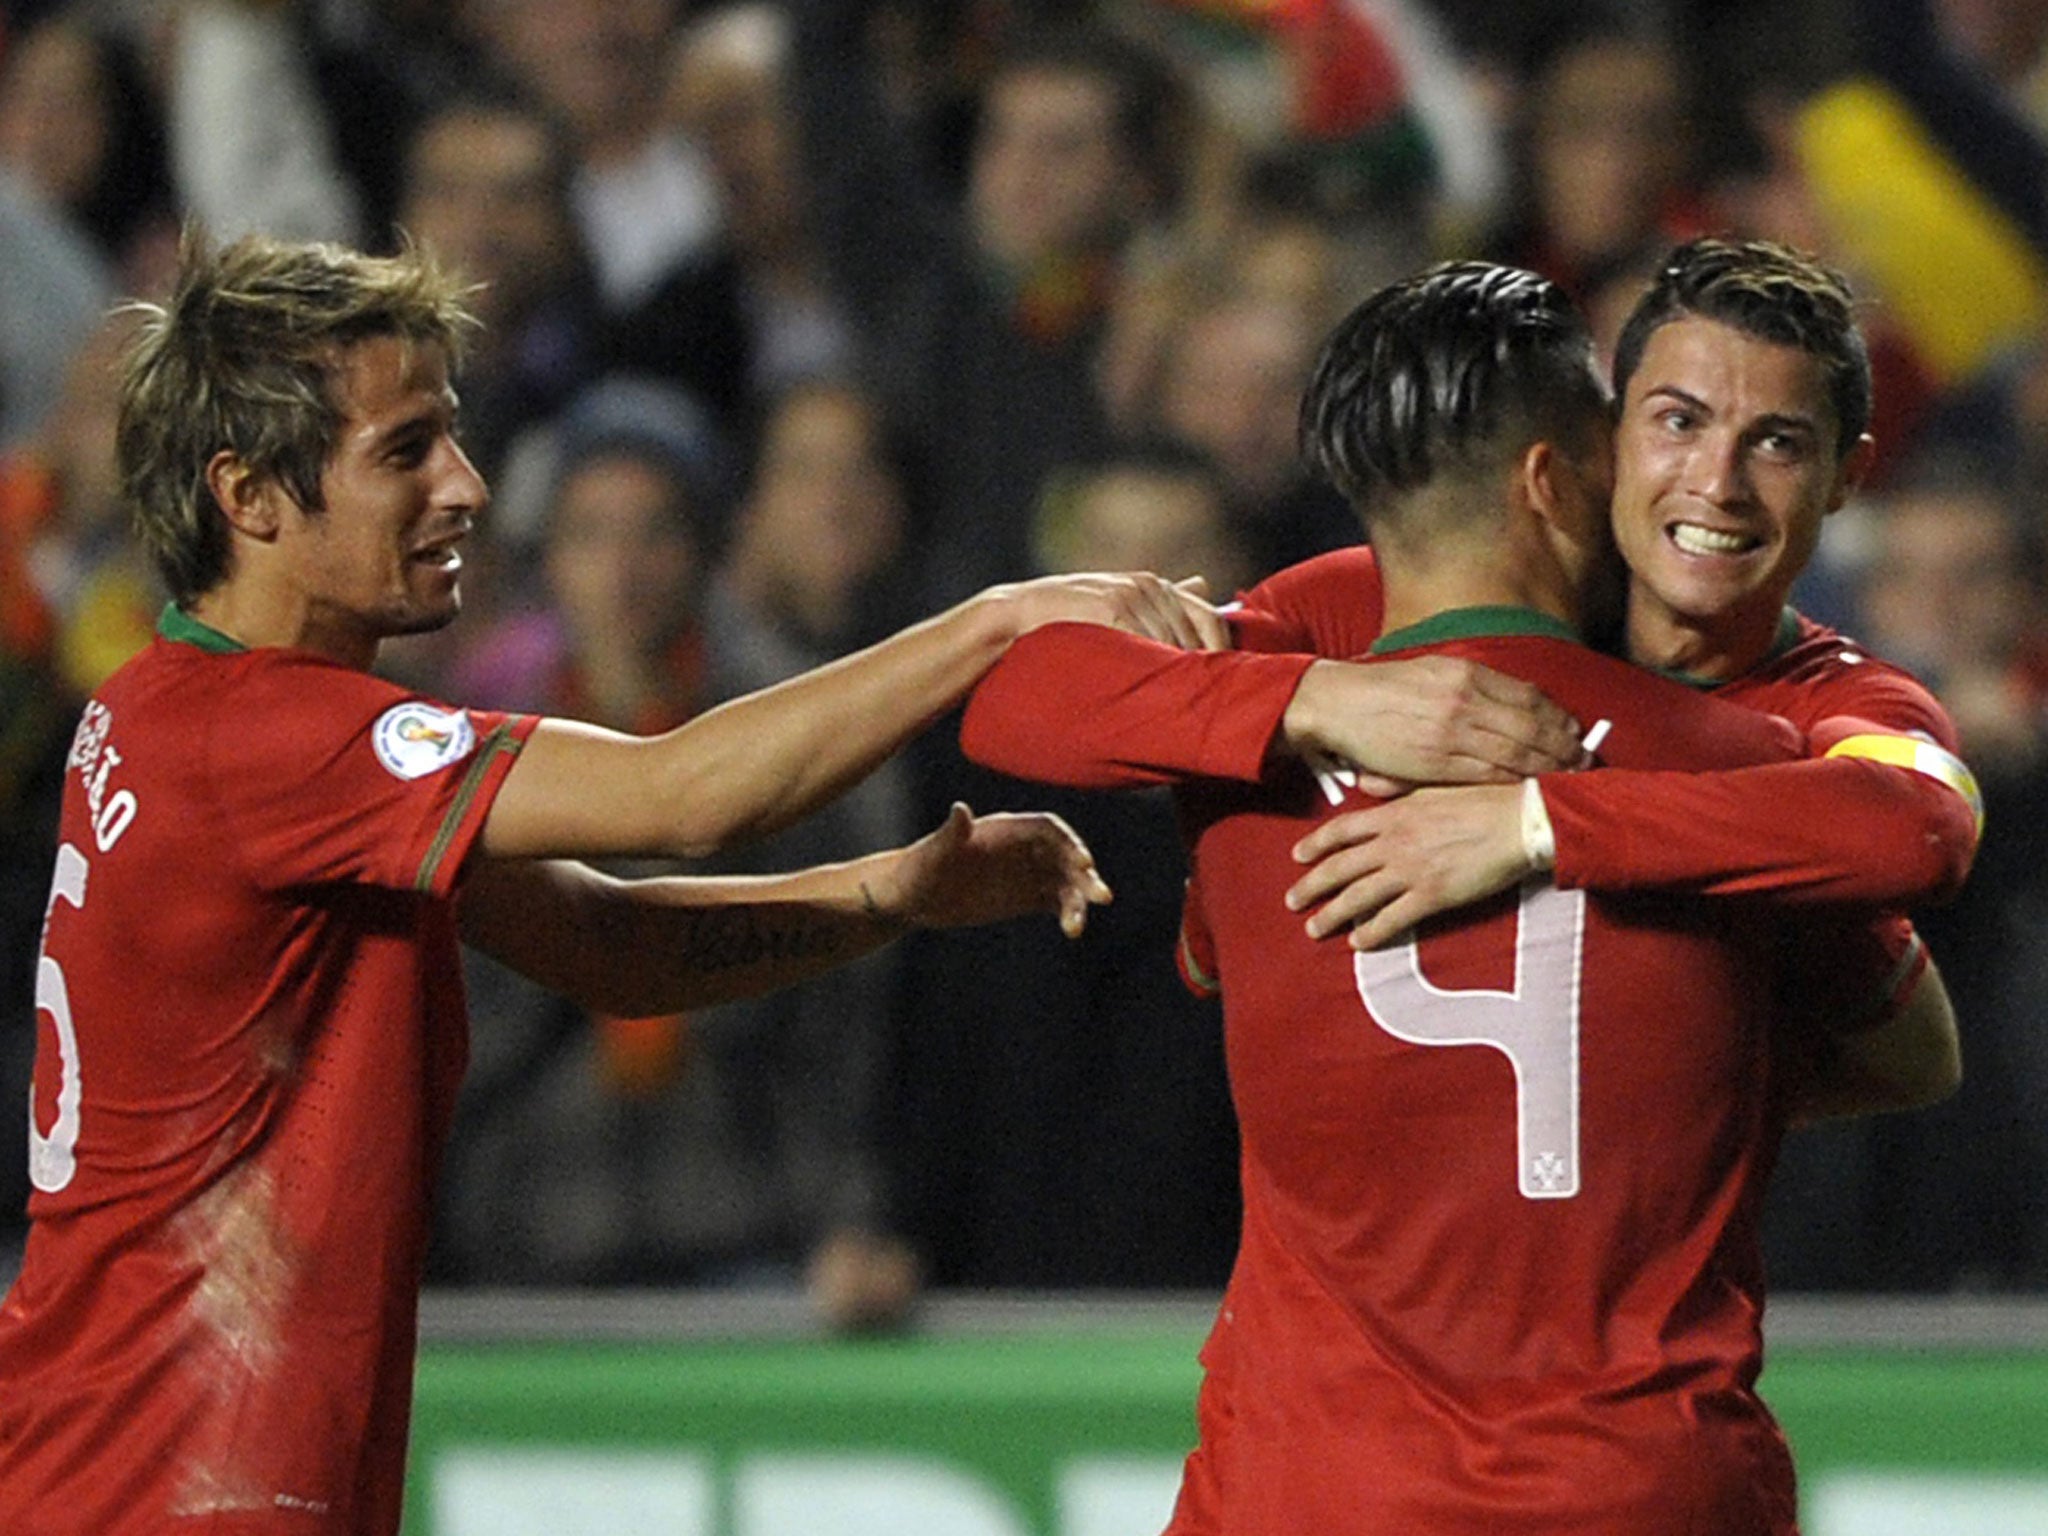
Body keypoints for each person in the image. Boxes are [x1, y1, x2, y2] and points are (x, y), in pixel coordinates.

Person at [0, 230, 1226, 1536]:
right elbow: (687, 797)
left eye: (455, 436)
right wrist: (999, 622)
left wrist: (888, 893)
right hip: (170, 1483)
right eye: (405, 451)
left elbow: (604, 945)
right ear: (247, 495)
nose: (469, 488)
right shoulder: (267, 740)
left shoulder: (174, 715)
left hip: (135, 1456)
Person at [963, 257, 1970, 1530]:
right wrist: (1322, 696)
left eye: (1773, 443)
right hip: (1634, 1476)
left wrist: (1540, 823)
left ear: (1844, 477)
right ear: (1590, 449)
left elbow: (1919, 825)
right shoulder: (1355, 631)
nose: (1712, 483)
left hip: (1316, 1478)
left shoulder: (1820, 714)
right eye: (1673, 422)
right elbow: (1909, 1044)